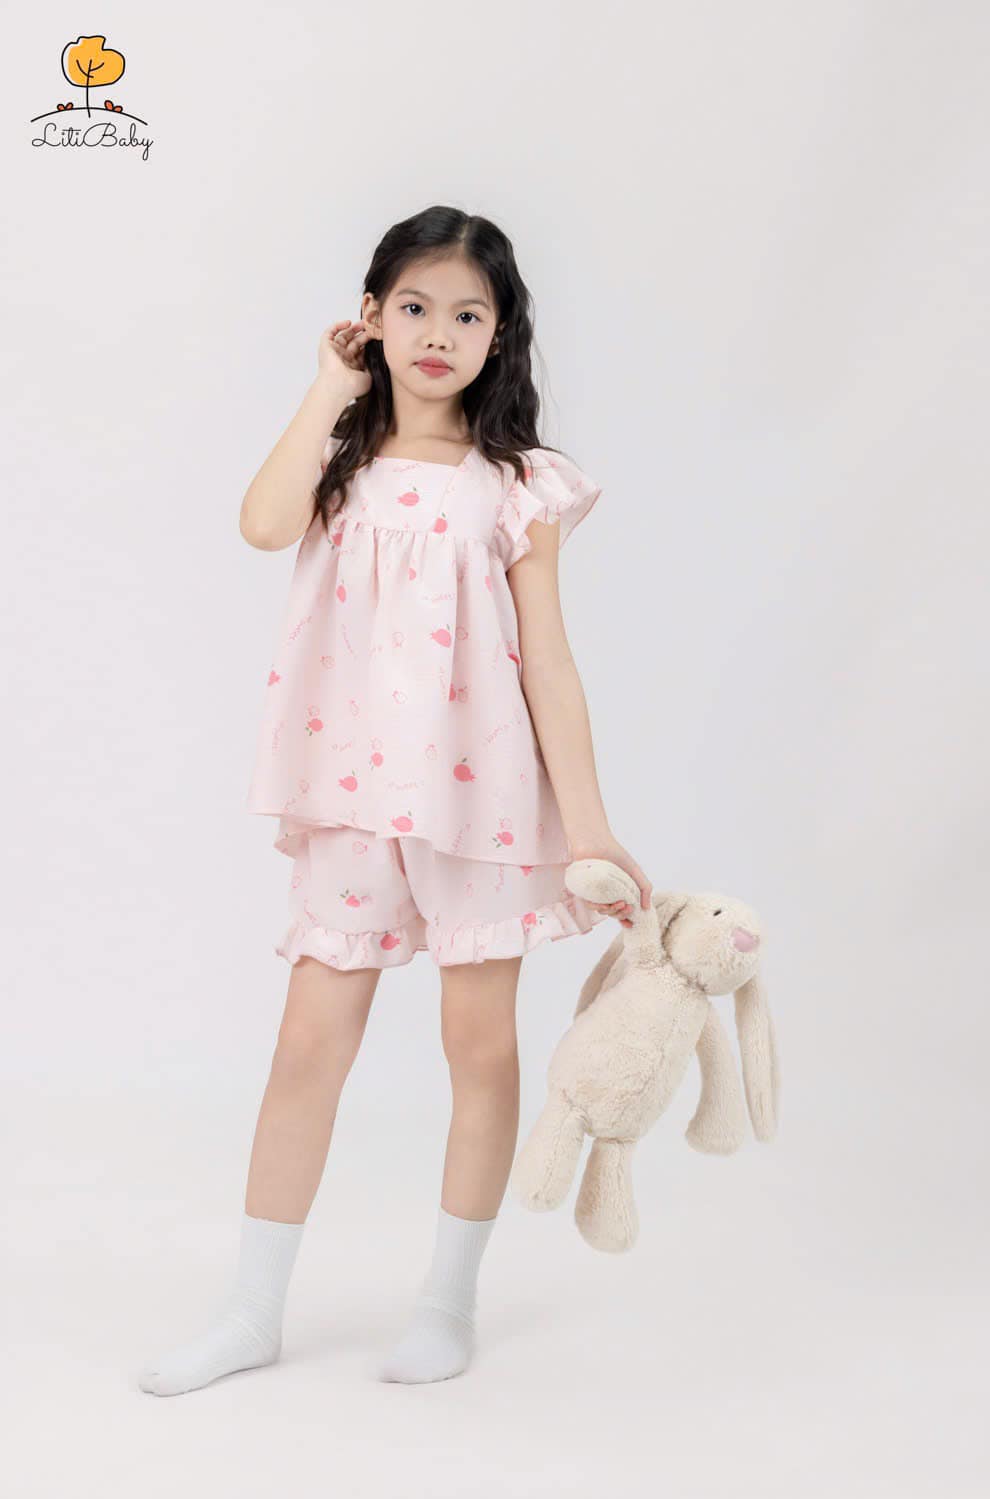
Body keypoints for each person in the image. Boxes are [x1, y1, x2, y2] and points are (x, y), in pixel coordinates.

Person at [137, 204, 652, 1397]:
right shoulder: (336, 459)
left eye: (466, 314)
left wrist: (590, 825)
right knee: (307, 1043)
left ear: (498, 335)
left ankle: (445, 1301)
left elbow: (549, 661)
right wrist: (329, 385)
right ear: (371, 315)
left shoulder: (516, 484)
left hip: (486, 800)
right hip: (353, 793)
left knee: (479, 1044)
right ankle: (250, 1309)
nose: (437, 333)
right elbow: (261, 525)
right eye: (413, 307)